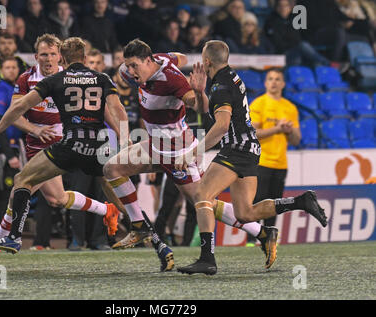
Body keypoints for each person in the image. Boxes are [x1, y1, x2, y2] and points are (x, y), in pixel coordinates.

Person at [103, 39, 280, 270]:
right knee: (112, 168)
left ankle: (262, 232)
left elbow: (201, 107)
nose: (130, 71)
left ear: (148, 61)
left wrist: (197, 92)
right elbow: (181, 57)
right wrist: (129, 69)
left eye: (134, 66)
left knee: (202, 201)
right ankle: (140, 226)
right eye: (128, 66)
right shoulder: (160, 60)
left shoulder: (173, 81)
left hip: (178, 150)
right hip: (156, 146)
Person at [0, 35, 120, 267]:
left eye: (52, 54)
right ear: (36, 56)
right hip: (36, 144)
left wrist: (120, 134)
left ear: (60, 56)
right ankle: (107, 209)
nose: (48, 59)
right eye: (44, 54)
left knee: (20, 186)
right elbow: (15, 111)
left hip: (63, 144)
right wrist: (34, 129)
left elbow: (104, 108)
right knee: (57, 198)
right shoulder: (26, 78)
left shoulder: (69, 78)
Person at [176, 40, 327, 275]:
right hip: (249, 149)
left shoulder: (222, 86)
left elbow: (222, 125)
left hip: (236, 148)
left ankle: (207, 258)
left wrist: (194, 151)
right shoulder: (230, 78)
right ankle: (300, 202)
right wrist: (198, 91)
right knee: (245, 213)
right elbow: (210, 113)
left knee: (201, 195)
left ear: (206, 62)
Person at [246, 68, 301, 245]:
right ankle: (251, 239)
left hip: (280, 163)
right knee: (256, 202)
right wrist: (277, 129)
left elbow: (296, 139)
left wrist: (289, 130)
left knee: (275, 204)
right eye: (270, 79)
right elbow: (253, 133)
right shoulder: (258, 104)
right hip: (261, 161)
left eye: (278, 79)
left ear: (283, 84)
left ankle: (269, 239)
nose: (274, 82)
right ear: (265, 83)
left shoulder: (290, 108)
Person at [0, 57, 23, 227]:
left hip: (15, 147)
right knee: (5, 193)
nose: (11, 70)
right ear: (1, 71)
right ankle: (2, 232)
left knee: (14, 192)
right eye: (7, 67)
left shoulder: (15, 90)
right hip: (3, 149)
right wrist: (8, 154)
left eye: (13, 67)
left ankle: (11, 229)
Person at [264, 0, 331, 67]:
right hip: (282, 55)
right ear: (276, 7)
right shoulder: (271, 21)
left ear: (290, 7)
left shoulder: (296, 19)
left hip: (296, 52)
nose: (283, 8)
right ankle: (329, 64)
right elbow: (276, 42)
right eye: (280, 6)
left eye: (286, 6)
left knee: (316, 64)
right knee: (303, 46)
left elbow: (302, 36)